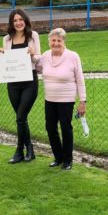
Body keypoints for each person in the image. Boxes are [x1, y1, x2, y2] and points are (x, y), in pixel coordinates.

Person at [36, 28, 86, 170]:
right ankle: (58, 157)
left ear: (63, 41)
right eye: (53, 40)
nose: (56, 43)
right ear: (49, 42)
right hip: (49, 99)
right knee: (50, 128)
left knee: (65, 128)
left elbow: (80, 79)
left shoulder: (73, 56)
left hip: (66, 100)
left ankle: (68, 160)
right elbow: (36, 67)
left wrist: (83, 101)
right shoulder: (45, 56)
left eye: (59, 40)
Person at [0, 9, 41, 163]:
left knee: (21, 116)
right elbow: (7, 62)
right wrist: (2, 54)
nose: (18, 23)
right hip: (13, 83)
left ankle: (19, 150)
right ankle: (28, 150)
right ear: (11, 23)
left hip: (29, 81)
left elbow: (38, 60)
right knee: (20, 118)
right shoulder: (7, 39)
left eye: (20, 19)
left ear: (25, 20)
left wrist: (33, 54)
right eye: (15, 20)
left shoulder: (33, 35)